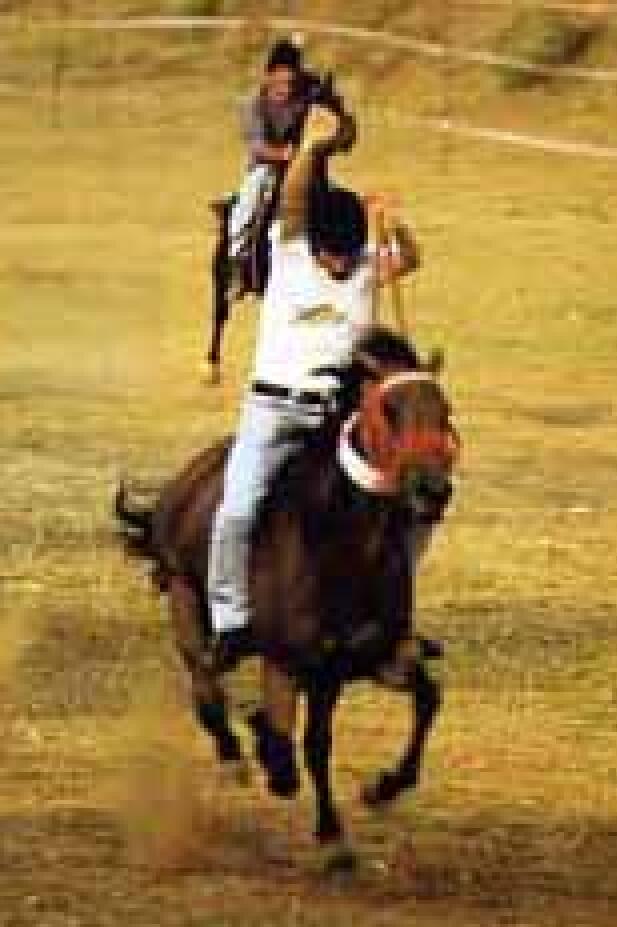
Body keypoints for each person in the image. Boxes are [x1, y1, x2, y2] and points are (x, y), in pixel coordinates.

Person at [206, 104, 410, 673]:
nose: (342, 265)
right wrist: (315, 148)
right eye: (333, 255)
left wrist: (392, 222)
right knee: (237, 510)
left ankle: (385, 619)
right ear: (313, 244)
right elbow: (295, 200)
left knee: (399, 505)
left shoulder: (365, 264)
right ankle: (229, 619)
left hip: (337, 415)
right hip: (271, 412)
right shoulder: (290, 253)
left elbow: (410, 258)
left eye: (349, 255)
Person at [225, 38, 316, 265]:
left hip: (300, 166)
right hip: (266, 168)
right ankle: (235, 250)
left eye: (290, 83)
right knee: (249, 196)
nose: (285, 89)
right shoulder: (252, 105)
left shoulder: (306, 95)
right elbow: (257, 147)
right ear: (268, 76)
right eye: (280, 83)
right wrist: (284, 154)